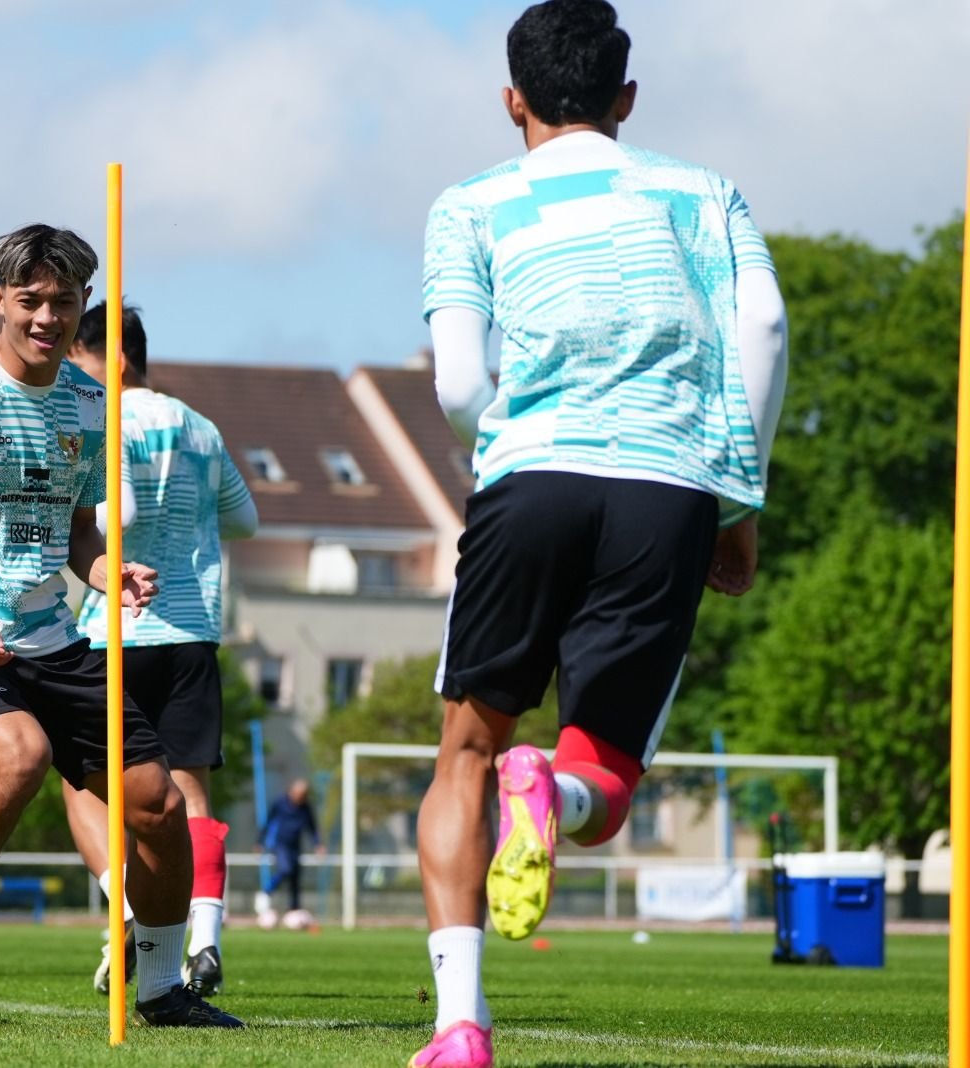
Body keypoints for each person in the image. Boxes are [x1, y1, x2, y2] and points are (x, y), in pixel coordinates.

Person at [412, 1, 789, 1064]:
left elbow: (455, 384)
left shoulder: (469, 204)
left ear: (512, 100)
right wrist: (738, 500)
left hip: (530, 477)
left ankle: (459, 1029)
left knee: (466, 752)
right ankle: (560, 790)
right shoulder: (703, 193)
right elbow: (759, 327)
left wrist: (507, 447)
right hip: (665, 488)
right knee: (605, 774)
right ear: (627, 100)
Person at [0, 224, 241, 1029]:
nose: (47, 317)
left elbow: (79, 533)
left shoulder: (90, 403)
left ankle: (158, 986)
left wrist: (106, 571)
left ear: (84, 304)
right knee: (20, 753)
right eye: (31, 301)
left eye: (64, 301)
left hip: (55, 637)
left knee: (158, 806)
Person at [60, 302, 257, 997]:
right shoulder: (200, 426)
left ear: (107, 359)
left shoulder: (102, 417)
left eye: (75, 363)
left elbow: (125, 515)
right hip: (194, 629)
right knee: (190, 793)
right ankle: (203, 937)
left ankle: (128, 901)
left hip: (121, 625)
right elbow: (245, 518)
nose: (68, 376)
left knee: (80, 780)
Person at [254, 779, 323, 928]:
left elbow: (312, 826)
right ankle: (266, 892)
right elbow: (268, 822)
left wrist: (318, 844)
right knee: (286, 869)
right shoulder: (280, 803)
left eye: (303, 794)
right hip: (279, 844)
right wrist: (260, 842)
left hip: (295, 846)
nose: (300, 797)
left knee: (295, 878)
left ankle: (294, 910)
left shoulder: (305, 807)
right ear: (292, 791)